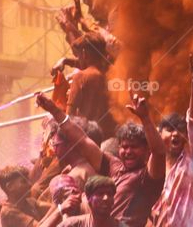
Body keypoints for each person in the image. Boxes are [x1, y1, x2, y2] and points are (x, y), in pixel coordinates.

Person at [36, 92, 165, 227]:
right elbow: (82, 140)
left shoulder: (148, 176)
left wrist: (145, 118)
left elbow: (159, 152)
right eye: (124, 147)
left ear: (146, 150)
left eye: (134, 147)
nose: (128, 152)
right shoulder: (114, 167)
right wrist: (54, 110)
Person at [149, 56, 193, 227]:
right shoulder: (153, 167)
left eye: (180, 130)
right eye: (170, 129)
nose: (176, 134)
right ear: (159, 134)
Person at [52, 32, 117, 138]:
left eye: (78, 56)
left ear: (84, 53)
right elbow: (92, 64)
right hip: (110, 137)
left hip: (87, 138)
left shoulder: (80, 77)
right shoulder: (113, 74)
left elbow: (69, 117)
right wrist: (66, 61)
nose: (78, 59)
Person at [60, 175, 129, 227]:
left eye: (109, 194)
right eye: (100, 194)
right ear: (88, 198)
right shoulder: (73, 224)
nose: (106, 198)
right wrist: (59, 211)